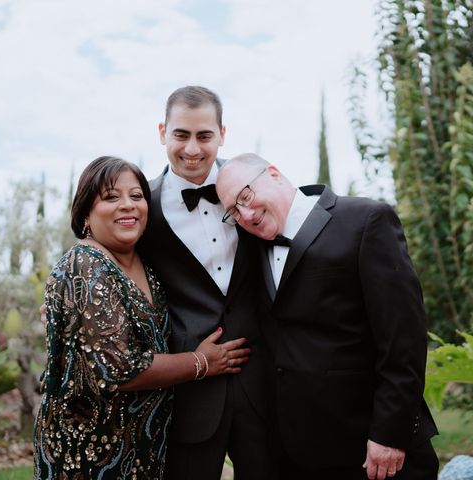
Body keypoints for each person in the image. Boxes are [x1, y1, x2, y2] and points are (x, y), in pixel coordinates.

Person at [216, 153, 439, 480]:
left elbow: (404, 338)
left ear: (274, 174)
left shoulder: (365, 221)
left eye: (245, 196)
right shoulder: (252, 247)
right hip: (297, 455)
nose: (245, 214)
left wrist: (390, 434)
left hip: (373, 450)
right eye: (233, 211)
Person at [33, 156, 250, 479]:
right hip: (90, 451)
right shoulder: (85, 266)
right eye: (111, 197)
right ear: (85, 212)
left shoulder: (143, 263)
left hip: (143, 447)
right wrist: (201, 362)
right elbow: (122, 369)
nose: (128, 205)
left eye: (136, 196)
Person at [138, 87, 275, 479]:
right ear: (163, 132)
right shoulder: (142, 202)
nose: (192, 149)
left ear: (222, 134)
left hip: (262, 375)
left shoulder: (255, 184)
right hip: (190, 387)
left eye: (204, 136)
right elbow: (104, 249)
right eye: (181, 135)